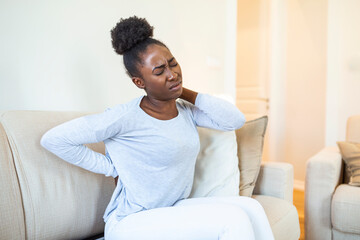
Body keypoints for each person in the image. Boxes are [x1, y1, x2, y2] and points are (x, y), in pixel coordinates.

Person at [40, 16, 274, 240]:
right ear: (139, 82)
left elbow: (234, 120)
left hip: (171, 209)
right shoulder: (124, 117)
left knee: (251, 208)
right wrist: (111, 167)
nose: (172, 74)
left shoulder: (185, 111)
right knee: (232, 220)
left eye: (173, 64)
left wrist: (185, 92)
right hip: (131, 221)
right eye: (159, 71)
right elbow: (54, 140)